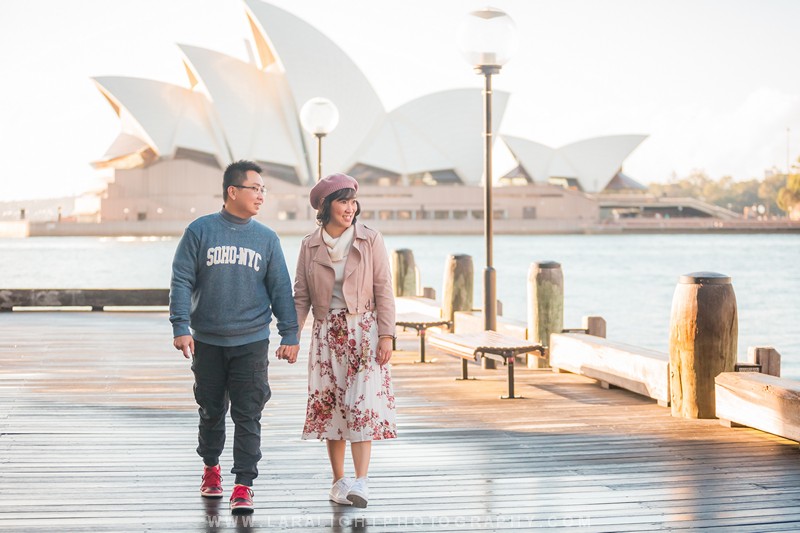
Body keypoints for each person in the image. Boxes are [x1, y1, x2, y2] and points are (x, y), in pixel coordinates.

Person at [169, 160, 300, 515]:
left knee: (248, 412)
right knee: (211, 409)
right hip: (208, 340)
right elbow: (181, 280)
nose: (261, 195)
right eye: (254, 188)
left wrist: (290, 332)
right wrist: (180, 327)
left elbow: (280, 290)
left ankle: (244, 484)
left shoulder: (267, 239)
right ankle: (211, 468)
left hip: (252, 341)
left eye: (263, 190)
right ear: (232, 191)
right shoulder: (200, 231)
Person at [293, 173, 397, 509]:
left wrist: (386, 335)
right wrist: (291, 336)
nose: (349, 208)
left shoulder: (370, 239)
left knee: (362, 406)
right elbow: (301, 297)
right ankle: (339, 482)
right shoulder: (309, 246)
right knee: (332, 408)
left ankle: (362, 481)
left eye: (353, 201)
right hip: (327, 335)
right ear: (325, 206)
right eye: (342, 201)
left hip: (364, 332)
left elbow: (384, 289)